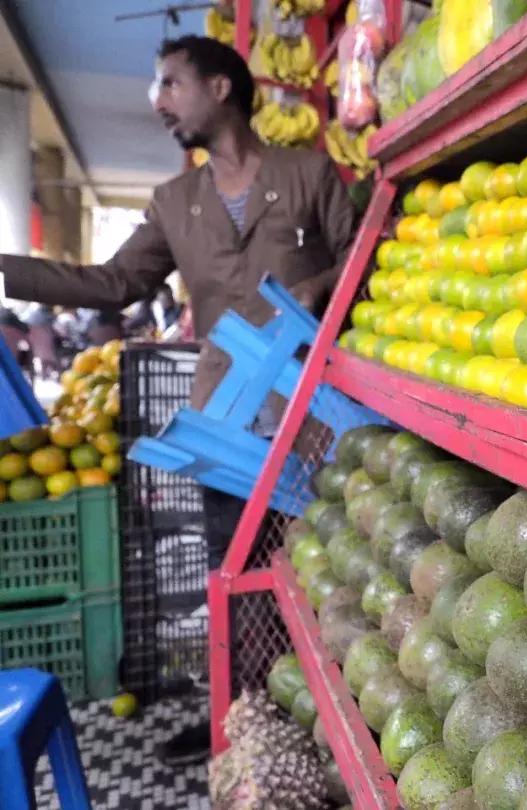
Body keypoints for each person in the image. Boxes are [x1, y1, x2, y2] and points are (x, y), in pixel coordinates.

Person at [0, 35, 357, 764]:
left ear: (220, 87)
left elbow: (360, 255)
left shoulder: (308, 174)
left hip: (319, 417)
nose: (159, 102)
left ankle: (341, 713)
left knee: (341, 561)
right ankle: (244, 720)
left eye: (170, 84)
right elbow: (113, 285)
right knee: (236, 576)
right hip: (225, 422)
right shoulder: (174, 203)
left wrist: (319, 288)